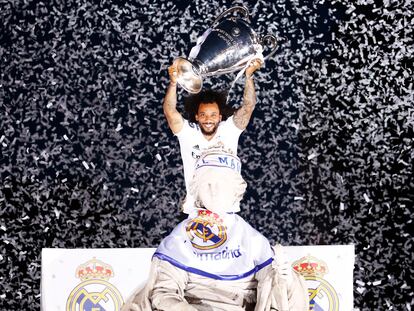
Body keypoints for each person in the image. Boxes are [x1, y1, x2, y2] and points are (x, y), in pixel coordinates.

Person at [121, 149, 309, 311]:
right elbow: (163, 293)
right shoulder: (180, 239)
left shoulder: (251, 239)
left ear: (236, 191)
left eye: (222, 183)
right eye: (207, 183)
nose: (214, 189)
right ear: (197, 190)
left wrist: (284, 279)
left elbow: (275, 289)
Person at [163, 58, 263, 213]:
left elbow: (249, 106)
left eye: (213, 115)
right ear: (196, 117)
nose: (208, 119)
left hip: (228, 211)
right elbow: (170, 110)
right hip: (195, 211)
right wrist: (173, 83)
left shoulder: (229, 130)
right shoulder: (188, 133)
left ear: (220, 117)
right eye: (203, 115)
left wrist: (249, 76)